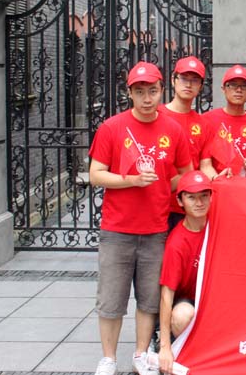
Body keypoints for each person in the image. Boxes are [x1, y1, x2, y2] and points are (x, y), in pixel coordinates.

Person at [89, 62, 192, 375]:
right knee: (111, 298)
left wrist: (162, 185)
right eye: (140, 91)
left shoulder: (173, 130)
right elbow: (96, 174)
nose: (147, 98)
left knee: (149, 299)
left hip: (155, 229)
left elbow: (185, 174)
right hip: (117, 229)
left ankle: (140, 354)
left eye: (152, 91)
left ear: (161, 90)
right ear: (130, 93)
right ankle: (108, 358)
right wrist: (131, 180)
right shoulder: (112, 128)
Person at [157, 170, 212, 375]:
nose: (199, 203)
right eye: (191, 197)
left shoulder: (218, 227)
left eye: (204, 196)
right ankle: (180, 345)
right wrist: (165, 347)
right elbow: (166, 295)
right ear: (180, 201)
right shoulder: (176, 243)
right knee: (182, 315)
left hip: (215, 298)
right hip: (189, 301)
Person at [158, 56, 210, 230]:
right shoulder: (156, 115)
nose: (188, 84)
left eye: (194, 80)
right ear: (173, 80)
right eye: (184, 78)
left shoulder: (203, 123)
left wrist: (222, 179)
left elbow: (205, 165)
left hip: (189, 206)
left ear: (201, 86)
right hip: (159, 204)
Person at [200, 64, 246, 179]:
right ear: (223, 89)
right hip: (217, 184)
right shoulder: (207, 119)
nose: (239, 90)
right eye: (233, 85)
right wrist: (217, 179)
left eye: (244, 86)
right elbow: (205, 164)